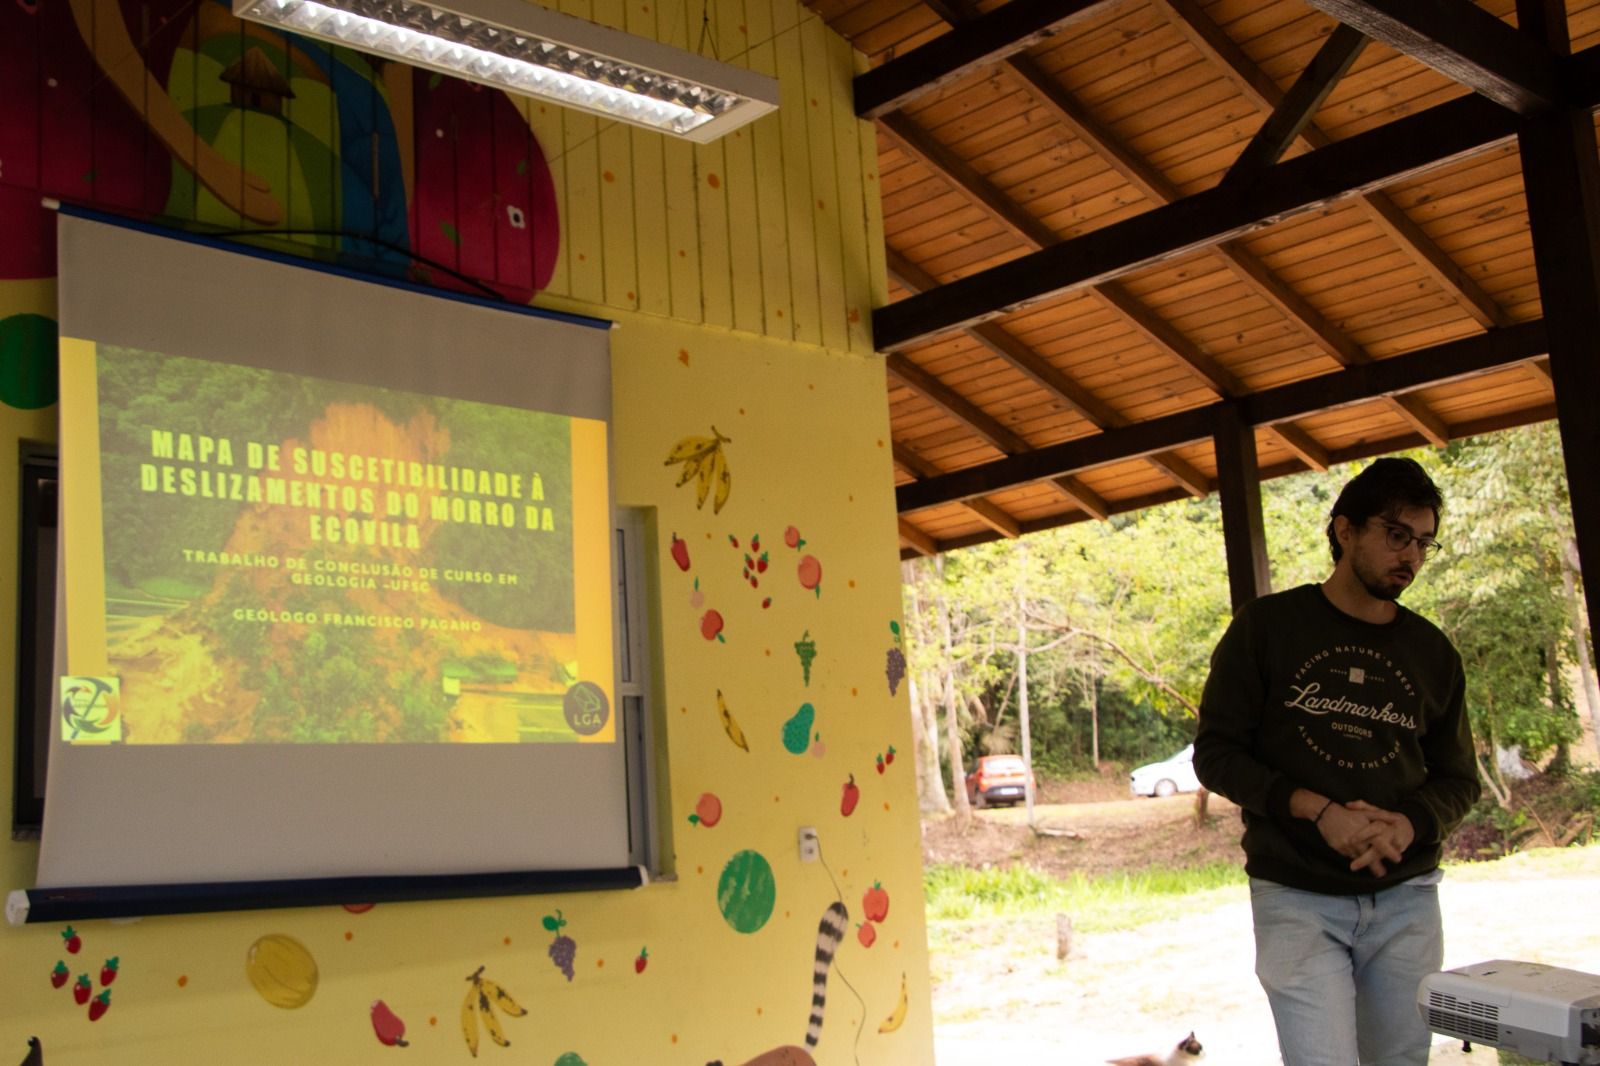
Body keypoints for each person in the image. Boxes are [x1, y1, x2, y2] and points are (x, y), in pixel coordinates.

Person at [1194, 457, 1481, 1066]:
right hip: (1295, 895)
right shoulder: (1267, 628)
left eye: (1424, 542)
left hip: (1406, 896)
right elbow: (1217, 755)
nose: (1411, 556)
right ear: (1345, 530)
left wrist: (1408, 825)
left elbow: (1459, 779)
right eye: (1396, 534)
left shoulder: (1433, 653)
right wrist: (1319, 812)